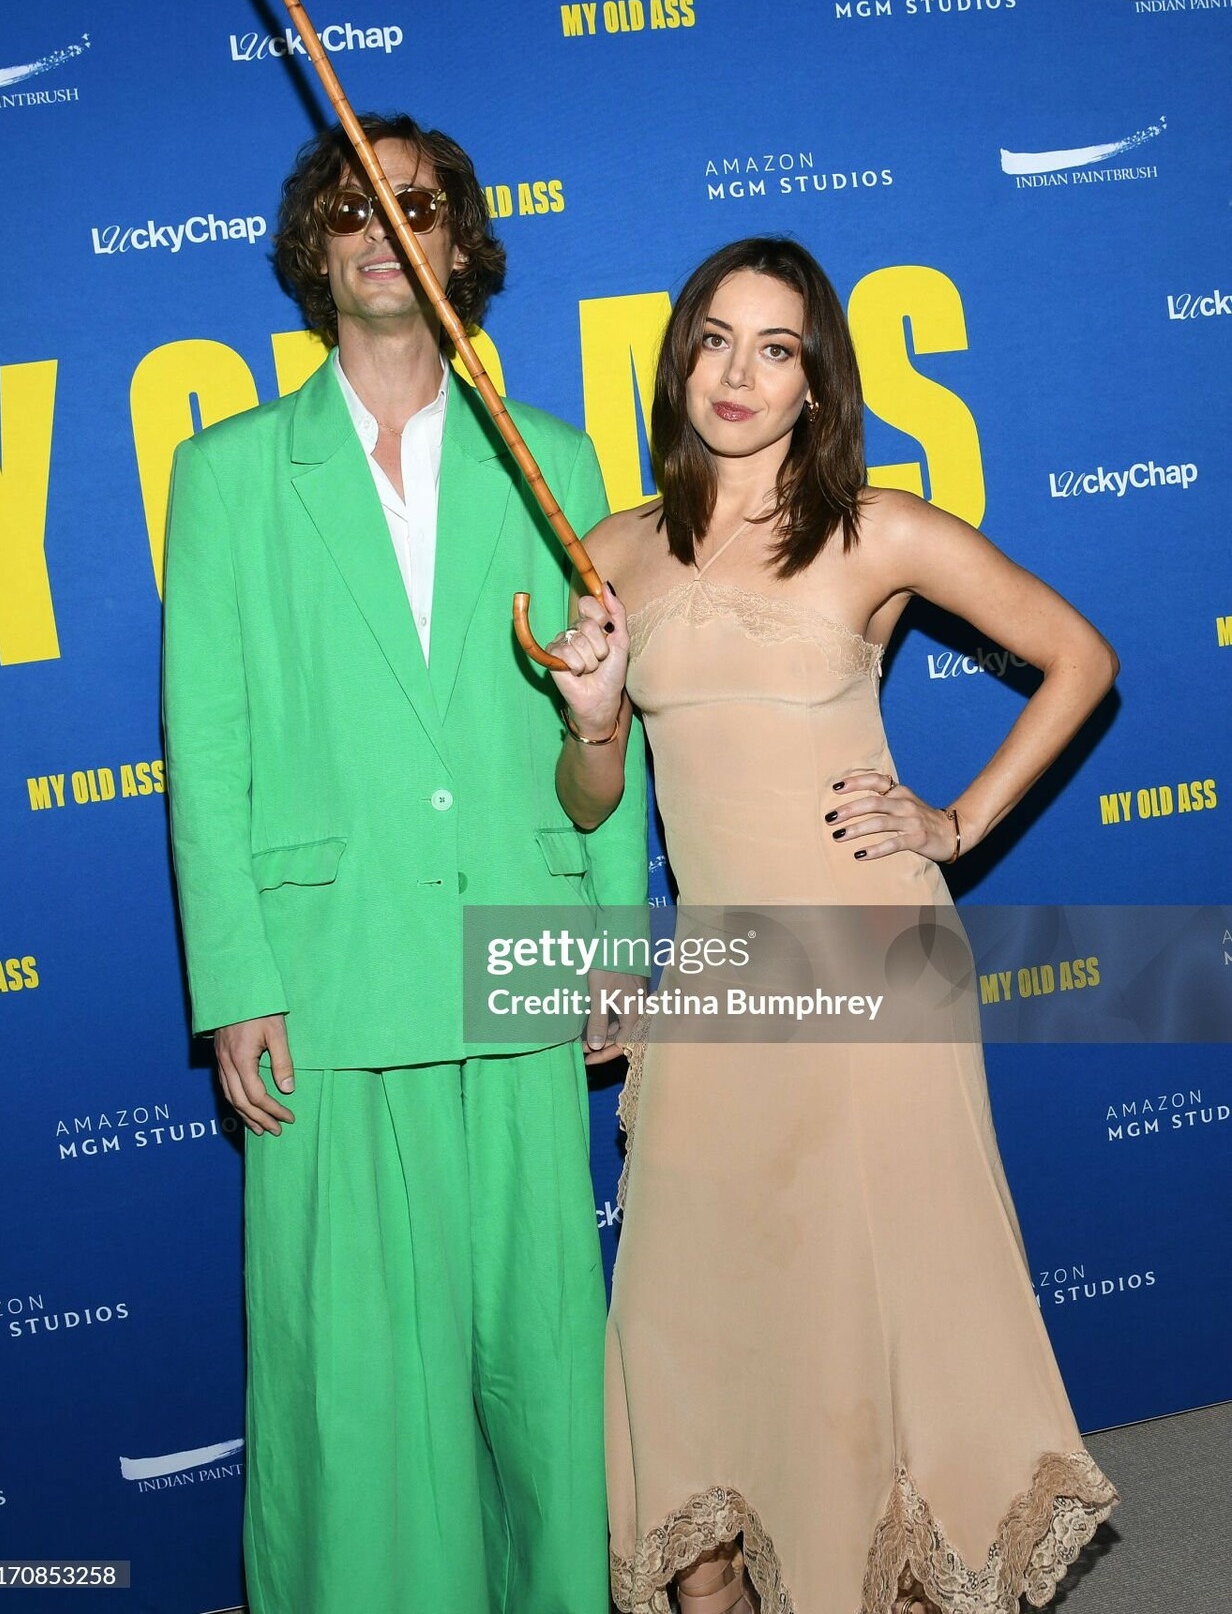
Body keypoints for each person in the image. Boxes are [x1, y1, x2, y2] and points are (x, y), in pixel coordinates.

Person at [548, 236, 1119, 1614]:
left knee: (884, 1315)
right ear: (679, 360)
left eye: (777, 348)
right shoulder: (614, 550)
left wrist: (956, 824)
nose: (738, 374)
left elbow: (1079, 658)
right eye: (714, 340)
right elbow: (590, 799)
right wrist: (590, 719)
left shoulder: (878, 529)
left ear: (817, 382)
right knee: (695, 1313)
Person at [161, 111, 647, 1614]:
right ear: (316, 249)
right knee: (360, 1391)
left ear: (460, 247)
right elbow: (208, 753)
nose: (386, 229)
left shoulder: (551, 460)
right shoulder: (229, 474)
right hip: (332, 976)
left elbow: (606, 724)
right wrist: (237, 981)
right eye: (353, 205)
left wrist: (617, 943)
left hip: (519, 952)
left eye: (417, 205)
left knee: (542, 1380)